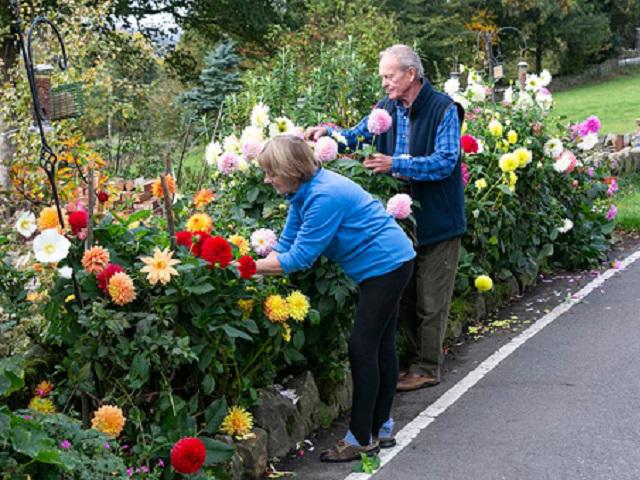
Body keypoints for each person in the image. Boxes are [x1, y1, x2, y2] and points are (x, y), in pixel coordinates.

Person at [306, 44, 465, 392]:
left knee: (431, 299)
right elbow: (356, 137)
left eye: (389, 76)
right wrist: (326, 134)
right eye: (383, 77)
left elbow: (446, 161)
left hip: (439, 219)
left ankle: (427, 367)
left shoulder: (444, 110)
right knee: (405, 294)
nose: (384, 83)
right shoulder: (387, 109)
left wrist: (396, 164)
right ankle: (417, 361)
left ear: (411, 74)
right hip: (401, 221)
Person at [255, 135, 415, 462]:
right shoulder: (304, 193)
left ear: (290, 169)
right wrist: (250, 262)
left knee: (363, 346)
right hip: (389, 262)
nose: (267, 179)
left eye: (272, 172)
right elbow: (285, 246)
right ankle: (381, 427)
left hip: (386, 266)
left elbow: (299, 258)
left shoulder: (323, 195)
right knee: (380, 345)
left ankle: (360, 438)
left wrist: (243, 268)